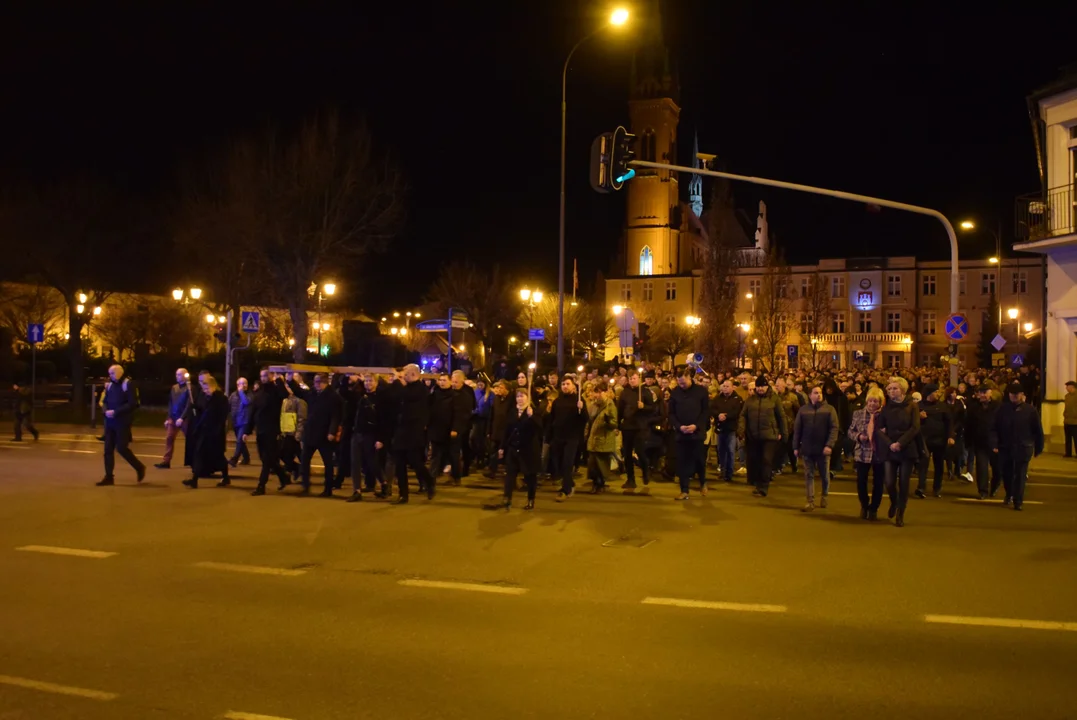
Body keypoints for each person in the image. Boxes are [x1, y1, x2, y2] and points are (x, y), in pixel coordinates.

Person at [874, 376, 920, 528]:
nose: (891, 391)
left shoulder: (912, 406)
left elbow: (915, 428)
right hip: (890, 448)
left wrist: (900, 443)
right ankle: (894, 501)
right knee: (889, 481)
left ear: (902, 390)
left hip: (906, 448)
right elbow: (879, 429)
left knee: (904, 482)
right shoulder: (887, 407)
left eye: (895, 388)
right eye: (890, 389)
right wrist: (891, 444)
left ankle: (901, 512)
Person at [991, 382, 1044, 511]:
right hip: (1006, 447)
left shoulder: (1030, 410)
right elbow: (994, 428)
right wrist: (994, 443)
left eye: (1016, 394)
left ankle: (1018, 500)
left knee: (1020, 475)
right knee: (1007, 474)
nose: (1014, 396)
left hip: (1023, 447)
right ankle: (1009, 493)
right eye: (1011, 394)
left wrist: (1038, 447)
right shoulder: (1003, 409)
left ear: (1021, 395)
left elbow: (1037, 430)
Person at [486, 388, 541, 510]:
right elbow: (507, 431)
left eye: (522, 396)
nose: (520, 399)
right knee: (510, 474)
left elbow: (539, 429)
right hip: (513, 448)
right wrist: (502, 447)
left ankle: (531, 499)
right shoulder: (512, 412)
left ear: (528, 398)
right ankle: (507, 498)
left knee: (530, 476)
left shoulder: (534, 412)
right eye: (518, 396)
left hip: (528, 449)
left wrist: (532, 417)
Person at [391, 364, 436, 504]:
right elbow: (396, 397)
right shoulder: (406, 388)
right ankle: (403, 494)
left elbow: (407, 396)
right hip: (401, 430)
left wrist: (398, 381)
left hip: (414, 431)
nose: (403, 376)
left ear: (412, 374)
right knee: (399, 463)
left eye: (405, 374)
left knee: (415, 462)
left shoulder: (421, 390)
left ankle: (429, 481)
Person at [244, 368, 291, 496]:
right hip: (261, 430)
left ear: (271, 376)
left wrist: (279, 380)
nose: (263, 378)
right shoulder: (259, 392)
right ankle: (284, 477)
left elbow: (285, 395)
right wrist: (247, 430)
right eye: (262, 376)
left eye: (265, 375)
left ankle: (261, 486)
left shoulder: (275, 390)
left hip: (272, 429)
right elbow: (253, 411)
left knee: (266, 459)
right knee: (266, 459)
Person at [96, 365, 146, 486]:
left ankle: (139, 467)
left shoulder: (129, 384)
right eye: (109, 373)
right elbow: (105, 400)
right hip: (110, 422)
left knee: (122, 448)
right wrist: (106, 410)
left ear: (119, 372)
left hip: (122, 422)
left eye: (112, 373)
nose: (110, 375)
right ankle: (109, 477)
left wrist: (116, 412)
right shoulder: (111, 385)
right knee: (108, 449)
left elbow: (132, 403)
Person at [738, 375, 786, 498]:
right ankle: (758, 485)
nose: (760, 389)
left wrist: (784, 433)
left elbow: (781, 417)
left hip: (770, 436)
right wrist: (741, 429)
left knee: (766, 460)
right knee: (756, 461)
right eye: (758, 386)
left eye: (762, 386)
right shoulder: (750, 400)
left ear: (767, 386)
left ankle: (764, 487)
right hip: (753, 436)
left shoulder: (774, 399)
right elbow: (743, 415)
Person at [792, 385, 839, 512]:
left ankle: (824, 495)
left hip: (823, 448)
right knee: (809, 475)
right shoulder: (803, 410)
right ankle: (810, 501)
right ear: (810, 395)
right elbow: (797, 430)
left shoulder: (829, 409)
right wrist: (796, 446)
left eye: (820, 393)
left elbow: (834, 428)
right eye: (815, 392)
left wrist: (829, 445)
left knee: (824, 475)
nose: (818, 395)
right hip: (807, 448)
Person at [669, 367, 710, 500]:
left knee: (699, 459)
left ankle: (702, 482)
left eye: (683, 382)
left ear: (689, 378)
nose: (682, 385)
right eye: (679, 383)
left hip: (696, 432)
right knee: (682, 462)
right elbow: (671, 413)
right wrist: (679, 426)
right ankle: (684, 489)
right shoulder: (675, 393)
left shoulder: (701, 392)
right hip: (681, 433)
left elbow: (705, 412)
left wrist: (696, 426)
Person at [183, 374, 230, 489]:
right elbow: (200, 409)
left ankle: (226, 476)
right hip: (204, 430)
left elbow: (223, 415)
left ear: (213, 386)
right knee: (198, 453)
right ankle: (194, 480)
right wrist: (195, 408)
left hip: (215, 432)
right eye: (204, 388)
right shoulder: (203, 396)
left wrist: (218, 429)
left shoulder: (221, 398)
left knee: (219, 456)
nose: (205, 391)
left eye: (207, 388)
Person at [848, 386, 886, 519]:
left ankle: (874, 508)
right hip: (862, 452)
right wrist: (858, 436)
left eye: (875, 401)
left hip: (879, 452)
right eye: (870, 401)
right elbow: (850, 431)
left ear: (880, 402)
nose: (872, 404)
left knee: (878, 482)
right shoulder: (858, 413)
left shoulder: (884, 415)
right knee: (861, 481)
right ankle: (864, 505)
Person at [155, 368, 190, 469]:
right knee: (169, 438)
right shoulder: (174, 388)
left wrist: (183, 417)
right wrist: (168, 417)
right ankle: (166, 461)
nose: (177, 377)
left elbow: (188, 405)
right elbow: (171, 403)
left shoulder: (189, 388)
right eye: (176, 374)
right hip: (174, 417)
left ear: (184, 375)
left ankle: (194, 460)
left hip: (184, 418)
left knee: (190, 439)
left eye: (179, 375)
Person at [710, 379, 743, 483]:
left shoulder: (737, 399)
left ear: (732, 387)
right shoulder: (718, 398)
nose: (725, 388)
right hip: (721, 428)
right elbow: (712, 408)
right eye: (724, 386)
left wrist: (726, 416)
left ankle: (729, 473)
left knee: (731, 451)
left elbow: (737, 412)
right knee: (721, 451)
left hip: (731, 428)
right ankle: (723, 471)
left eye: (727, 386)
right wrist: (718, 415)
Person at [228, 377, 253, 468]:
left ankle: (234, 459)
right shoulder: (233, 395)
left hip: (244, 422)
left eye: (245, 383)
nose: (243, 385)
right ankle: (246, 458)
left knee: (239, 440)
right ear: (237, 385)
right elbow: (228, 405)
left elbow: (246, 402)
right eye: (241, 383)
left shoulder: (249, 395)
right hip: (235, 422)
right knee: (241, 441)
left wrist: (241, 392)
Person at [1064, 381, 1077, 458]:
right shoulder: (1067, 396)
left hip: (1075, 422)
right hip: (1067, 421)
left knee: (1076, 439)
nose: (1066, 388)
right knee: (1067, 438)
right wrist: (1064, 414)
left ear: (1072, 387)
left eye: (1067, 386)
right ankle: (1068, 453)